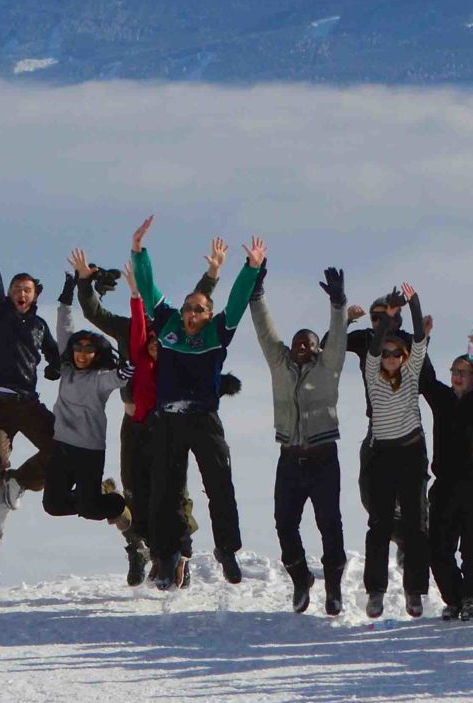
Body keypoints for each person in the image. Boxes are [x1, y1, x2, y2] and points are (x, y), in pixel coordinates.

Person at [131, 220, 262, 590]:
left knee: (220, 486)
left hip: (204, 419)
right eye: (188, 308)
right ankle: (166, 553)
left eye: (198, 309)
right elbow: (148, 288)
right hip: (169, 420)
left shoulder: (217, 333)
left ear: (208, 314)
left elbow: (236, 302)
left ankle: (227, 551)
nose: (191, 314)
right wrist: (139, 251)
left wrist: (251, 268)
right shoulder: (168, 323)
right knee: (165, 490)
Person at [72, 247, 215, 586]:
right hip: (134, 423)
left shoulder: (177, 329)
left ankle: (178, 554)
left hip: (169, 422)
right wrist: (83, 281)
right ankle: (144, 550)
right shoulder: (127, 329)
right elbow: (94, 312)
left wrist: (211, 274)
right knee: (135, 490)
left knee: (175, 492)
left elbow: (200, 305)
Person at [250, 260, 351, 614]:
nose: (301, 348)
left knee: (329, 524)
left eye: (308, 344)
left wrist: (338, 305)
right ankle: (300, 580)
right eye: (297, 344)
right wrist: (257, 294)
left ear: (318, 349)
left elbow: (337, 339)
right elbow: (266, 332)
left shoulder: (329, 367)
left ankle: (334, 588)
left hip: (324, 459)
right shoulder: (280, 366)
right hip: (290, 459)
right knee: (284, 524)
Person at [0, 206, 61, 522]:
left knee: (63, 451)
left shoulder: (39, 326)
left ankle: (18, 482)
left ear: (34, 296)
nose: (21, 293)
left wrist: (55, 368)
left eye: (27, 290)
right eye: (16, 289)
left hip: (28, 402)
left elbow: (55, 355)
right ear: (9, 293)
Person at [351, 288, 432, 618]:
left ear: (403, 356)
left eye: (396, 354)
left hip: (412, 453)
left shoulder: (411, 373)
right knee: (379, 525)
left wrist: (413, 303)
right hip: (383, 453)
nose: (390, 359)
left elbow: (417, 340)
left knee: (415, 523)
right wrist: (387, 318)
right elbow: (373, 345)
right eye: (385, 354)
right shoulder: (373, 375)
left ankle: (414, 592)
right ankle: (376, 592)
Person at [420, 334, 473, 620]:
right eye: (454, 371)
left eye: (463, 373)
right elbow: (425, 379)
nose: (457, 376)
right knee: (438, 547)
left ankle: (472, 597)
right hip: (444, 486)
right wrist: (425, 339)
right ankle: (453, 597)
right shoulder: (441, 399)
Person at [43, 284, 131, 528]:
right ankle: (92, 496)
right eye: (78, 349)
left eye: (88, 350)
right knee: (53, 505)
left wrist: (126, 371)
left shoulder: (100, 378)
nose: (81, 354)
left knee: (90, 509)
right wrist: (65, 298)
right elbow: (64, 330)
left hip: (89, 452)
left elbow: (117, 378)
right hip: (62, 447)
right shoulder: (67, 369)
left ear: (97, 354)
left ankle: (116, 502)